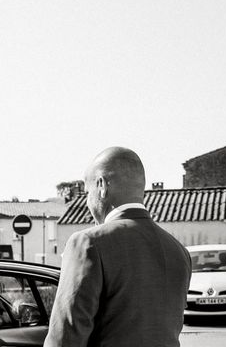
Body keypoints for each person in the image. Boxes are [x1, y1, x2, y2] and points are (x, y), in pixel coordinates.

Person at [45, 147, 192, 347]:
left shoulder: (88, 243)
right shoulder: (178, 251)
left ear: (101, 185)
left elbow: (66, 336)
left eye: (87, 193)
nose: (88, 202)